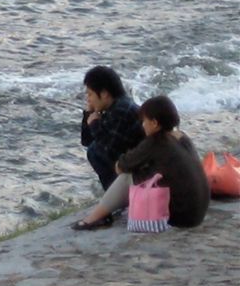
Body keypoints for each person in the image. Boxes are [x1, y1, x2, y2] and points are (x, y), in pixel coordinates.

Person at [71, 95, 210, 230]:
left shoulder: (156, 141)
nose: (142, 126)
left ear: (155, 123)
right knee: (143, 172)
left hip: (179, 218)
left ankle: (94, 218)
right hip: (197, 214)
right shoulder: (182, 138)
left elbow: (121, 167)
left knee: (127, 177)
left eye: (144, 121)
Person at [80, 65, 145, 190]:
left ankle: (116, 195)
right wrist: (88, 114)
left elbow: (107, 150)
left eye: (90, 94)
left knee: (95, 151)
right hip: (132, 167)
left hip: (141, 171)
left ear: (104, 93)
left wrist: (94, 124)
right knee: (94, 149)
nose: (88, 99)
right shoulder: (113, 108)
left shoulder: (122, 110)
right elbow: (86, 141)